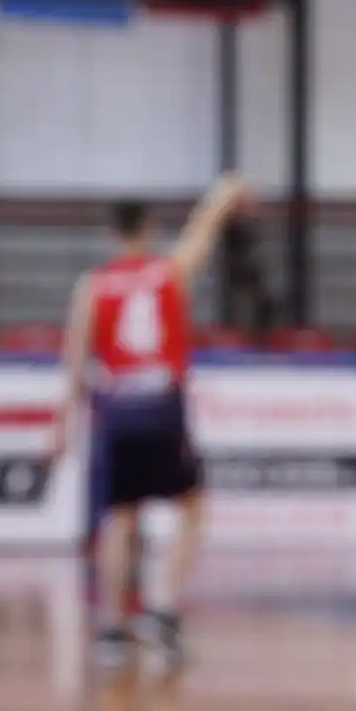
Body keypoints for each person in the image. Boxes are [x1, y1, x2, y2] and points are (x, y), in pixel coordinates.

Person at [49, 175, 251, 667]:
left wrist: (61, 425)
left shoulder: (93, 287)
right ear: (150, 228)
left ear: (111, 234)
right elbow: (204, 229)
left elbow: (75, 363)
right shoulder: (169, 271)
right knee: (193, 508)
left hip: (116, 408)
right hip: (161, 404)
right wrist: (223, 196)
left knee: (119, 517)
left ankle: (113, 632)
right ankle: (161, 608)